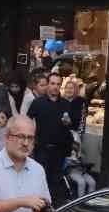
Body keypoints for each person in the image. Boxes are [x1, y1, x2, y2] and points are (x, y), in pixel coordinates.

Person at [26, 73, 74, 203]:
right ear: (48, 84)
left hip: (59, 151)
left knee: (56, 182)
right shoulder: (38, 103)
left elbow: (71, 126)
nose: (55, 87)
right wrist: (30, 143)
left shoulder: (66, 104)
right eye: (52, 83)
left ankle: (56, 209)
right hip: (42, 149)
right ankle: (40, 206)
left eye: (58, 84)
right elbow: (27, 121)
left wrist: (68, 123)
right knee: (40, 180)